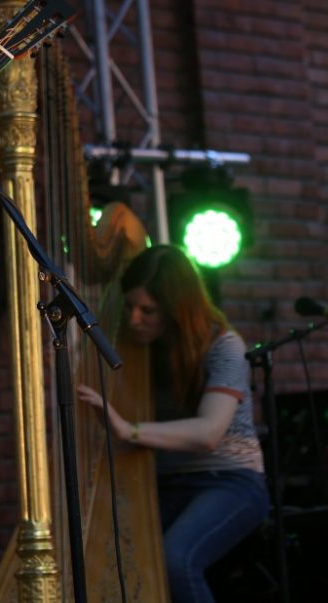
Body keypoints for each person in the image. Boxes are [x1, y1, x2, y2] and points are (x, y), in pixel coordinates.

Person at [76, 244, 269, 603]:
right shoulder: (139, 352)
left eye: (148, 310)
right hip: (165, 485)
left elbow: (209, 433)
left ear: (178, 308)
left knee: (174, 559)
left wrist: (129, 430)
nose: (134, 319)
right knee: (113, 562)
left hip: (228, 480)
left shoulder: (224, 346)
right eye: (129, 307)